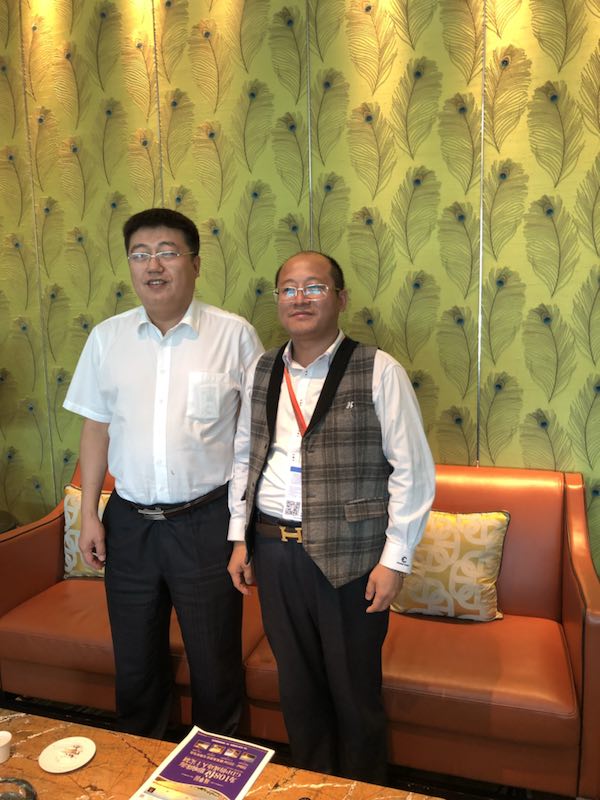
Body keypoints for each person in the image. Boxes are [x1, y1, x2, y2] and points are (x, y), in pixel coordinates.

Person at [227, 251, 435, 784]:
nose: (300, 298)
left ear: (340, 298)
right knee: (297, 689)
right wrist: (240, 539)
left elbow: (412, 472)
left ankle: (363, 789)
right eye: (288, 289)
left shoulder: (379, 369)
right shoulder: (262, 368)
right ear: (278, 300)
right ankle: (312, 784)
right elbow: (245, 455)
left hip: (352, 557)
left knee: (354, 691)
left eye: (314, 287)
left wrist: (395, 561)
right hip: (274, 549)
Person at [64, 207, 263, 738]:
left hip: (205, 522)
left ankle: (213, 769)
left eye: (168, 253)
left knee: (215, 664)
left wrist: (242, 533)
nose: (153, 265)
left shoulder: (234, 336)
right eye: (140, 254)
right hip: (128, 523)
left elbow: (254, 441)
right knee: (134, 664)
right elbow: (95, 429)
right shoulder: (107, 338)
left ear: (194, 263)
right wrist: (90, 515)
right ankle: (137, 762)